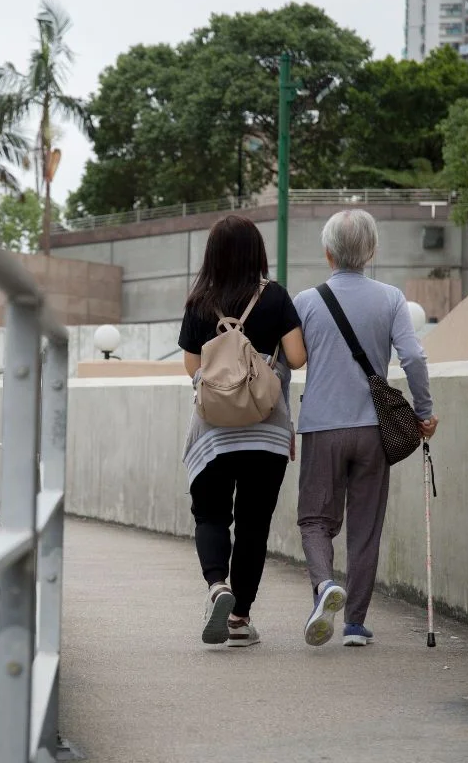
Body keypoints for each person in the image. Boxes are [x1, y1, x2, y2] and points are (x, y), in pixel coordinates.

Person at [293, 209, 438, 648]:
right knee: (366, 526)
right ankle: (354, 623)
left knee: (316, 519)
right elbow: (413, 358)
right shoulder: (391, 298)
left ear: (327, 251)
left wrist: (284, 423)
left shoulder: (304, 302)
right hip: (375, 429)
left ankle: (324, 587)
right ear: (371, 251)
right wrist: (423, 410)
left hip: (321, 426)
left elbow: (282, 366)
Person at [179, 215, 308, 647]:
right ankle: (239, 621)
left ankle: (217, 584)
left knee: (211, 514)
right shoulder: (275, 297)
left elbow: (193, 370)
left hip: (213, 433)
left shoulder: (198, 301)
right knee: (254, 524)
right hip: (266, 429)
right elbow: (297, 356)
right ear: (257, 252)